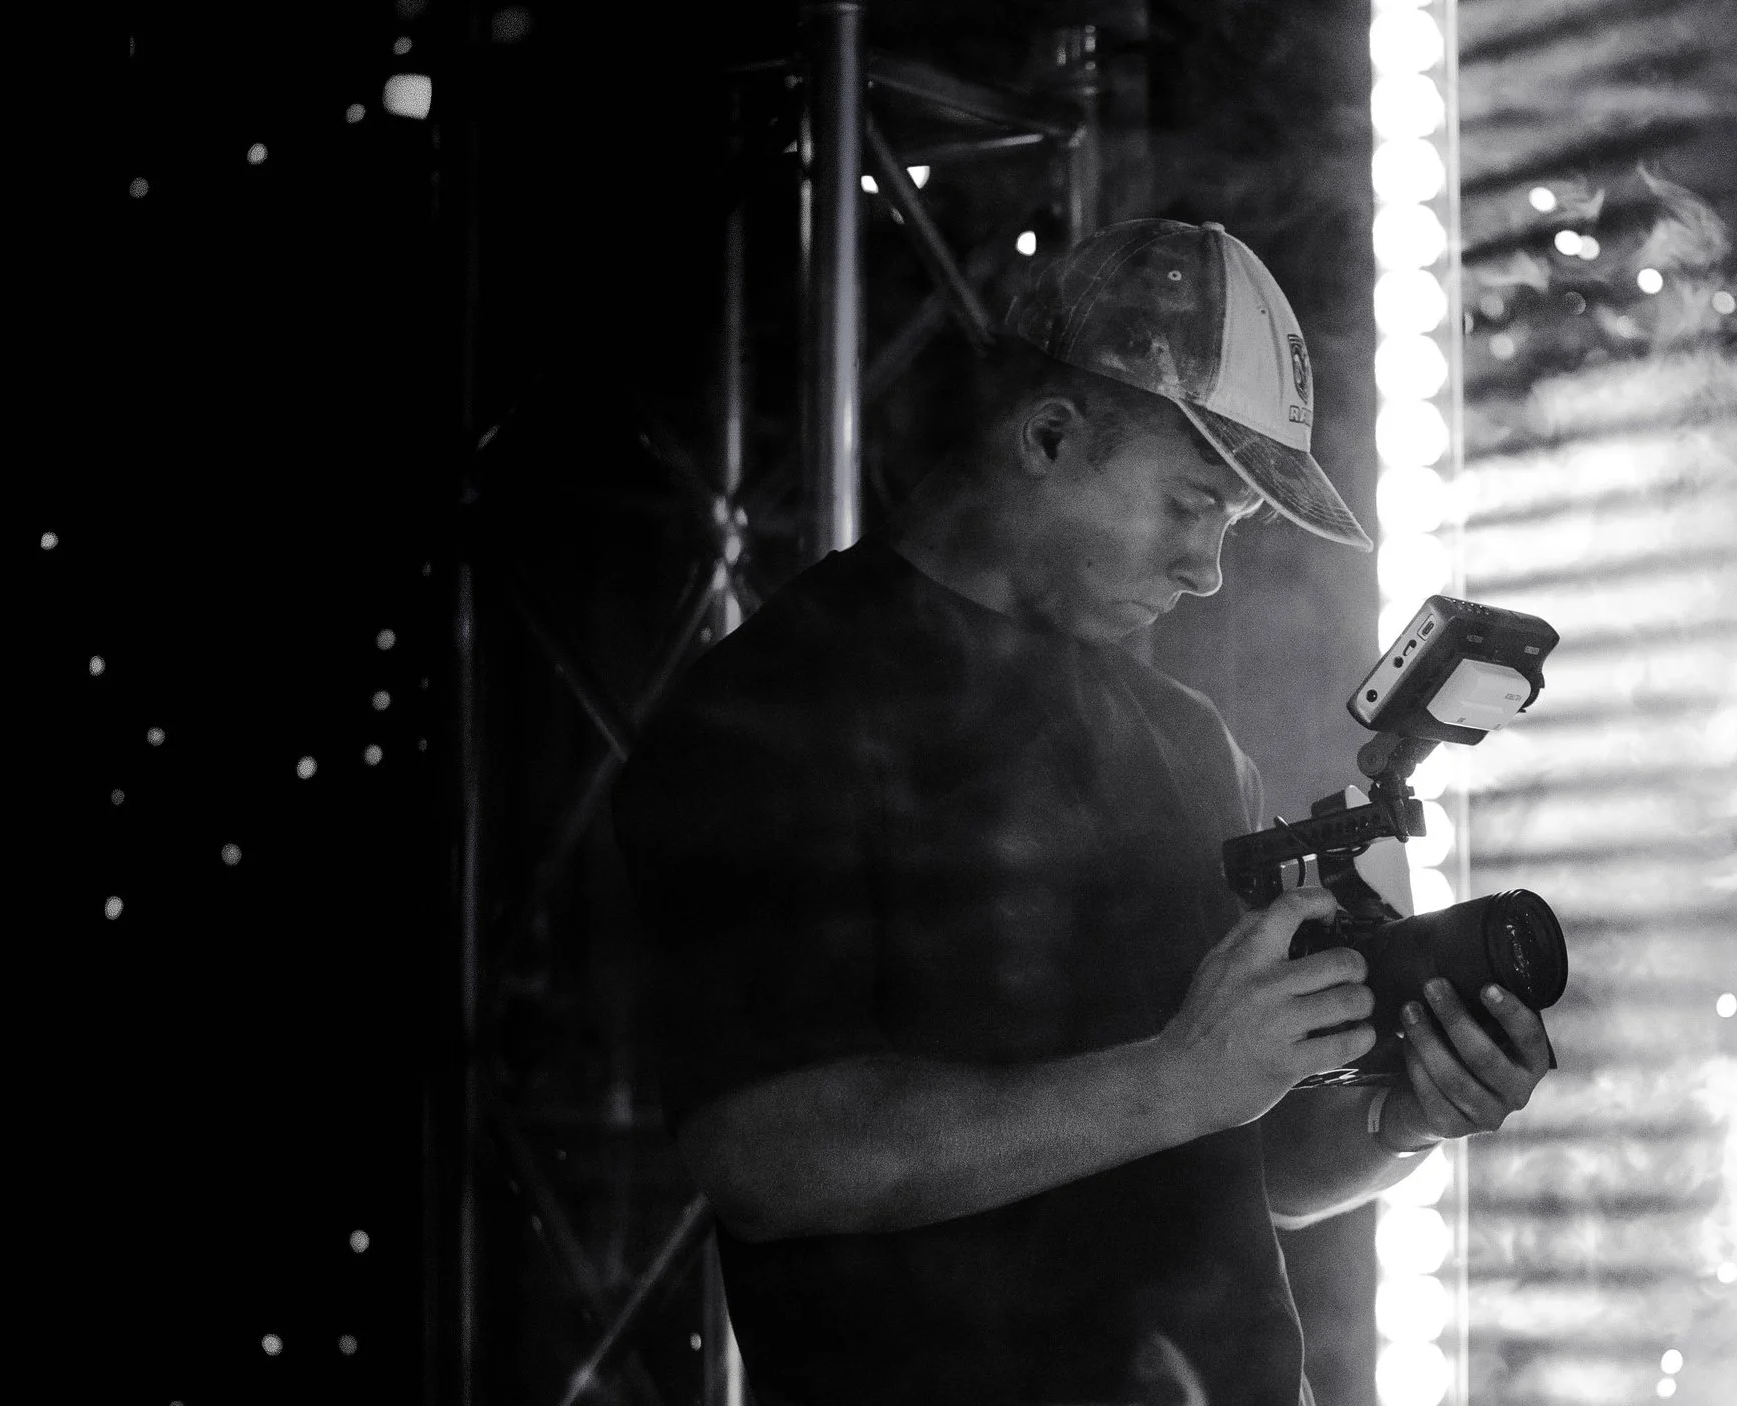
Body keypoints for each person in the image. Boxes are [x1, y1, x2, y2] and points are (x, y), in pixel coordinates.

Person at [612, 219, 1554, 1406]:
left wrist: (1398, 1117)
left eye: (1229, 527)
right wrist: (1180, 1076)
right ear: (1050, 435)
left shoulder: (1187, 741)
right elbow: (771, 1154)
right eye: (1189, 502)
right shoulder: (777, 706)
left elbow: (1232, 1158)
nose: (1206, 567)